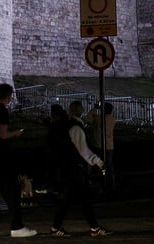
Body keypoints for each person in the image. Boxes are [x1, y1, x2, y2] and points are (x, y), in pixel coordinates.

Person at [0, 83, 37, 238]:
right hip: (1, 157)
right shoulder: (2, 111)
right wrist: (16, 133)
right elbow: (4, 135)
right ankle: (17, 226)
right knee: (12, 192)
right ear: (9, 96)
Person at [48, 100, 113, 237]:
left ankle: (59, 227)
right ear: (79, 110)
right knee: (79, 199)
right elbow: (83, 150)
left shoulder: (71, 125)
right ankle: (91, 228)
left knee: (75, 199)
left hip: (70, 167)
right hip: (74, 168)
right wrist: (99, 162)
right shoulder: (76, 127)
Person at [86, 101, 115, 187]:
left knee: (95, 164)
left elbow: (88, 120)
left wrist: (95, 108)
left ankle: (95, 182)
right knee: (109, 165)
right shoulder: (113, 119)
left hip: (98, 144)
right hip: (109, 146)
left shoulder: (99, 119)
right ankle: (110, 182)